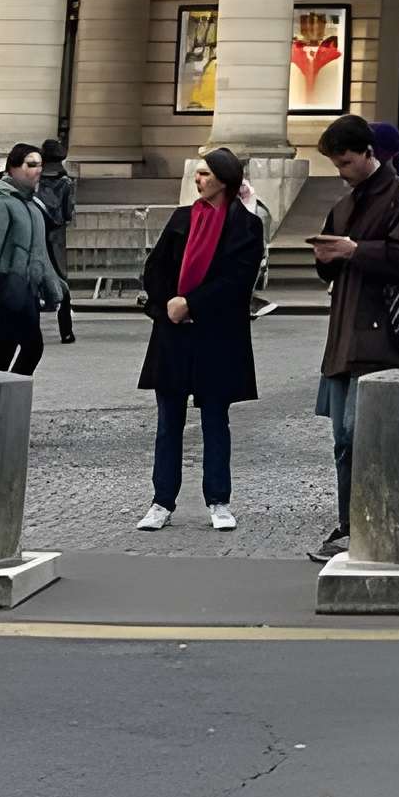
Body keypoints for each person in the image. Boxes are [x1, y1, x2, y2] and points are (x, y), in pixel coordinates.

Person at [306, 114, 399, 559]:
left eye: (345, 162)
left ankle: (375, 523)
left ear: (368, 153)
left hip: (386, 337)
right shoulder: (345, 205)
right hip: (346, 335)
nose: (340, 172)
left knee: (363, 435)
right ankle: (349, 524)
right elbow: (332, 268)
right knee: (344, 441)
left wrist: (355, 250)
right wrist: (328, 256)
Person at [135, 147, 263, 533]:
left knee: (215, 420)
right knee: (168, 421)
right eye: (199, 173)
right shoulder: (182, 218)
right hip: (173, 332)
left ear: (224, 179)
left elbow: (237, 282)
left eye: (206, 174)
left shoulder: (246, 226)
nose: (199, 179)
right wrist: (168, 304)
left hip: (216, 334)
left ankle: (219, 500)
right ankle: (161, 501)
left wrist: (192, 303)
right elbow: (154, 268)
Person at [0, 144, 65, 375]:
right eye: (30, 165)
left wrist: (54, 286)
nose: (38, 171)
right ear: (12, 168)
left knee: (10, 350)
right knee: (27, 347)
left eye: (40, 165)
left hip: (27, 289)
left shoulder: (31, 206)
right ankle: (0, 398)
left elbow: (40, 252)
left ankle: (1, 398)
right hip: (8, 286)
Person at [35, 137, 80, 343]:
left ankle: (31, 329)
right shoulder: (66, 182)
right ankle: (66, 331)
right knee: (63, 282)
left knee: (33, 281)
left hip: (35, 232)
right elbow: (68, 212)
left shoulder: (35, 181)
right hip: (56, 235)